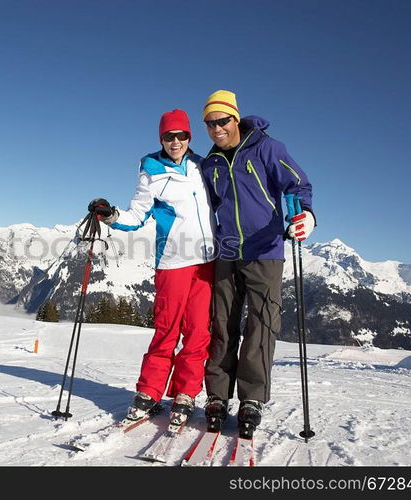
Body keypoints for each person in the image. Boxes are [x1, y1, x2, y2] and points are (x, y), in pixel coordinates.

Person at [89, 109, 217, 426]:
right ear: (161, 138)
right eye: (169, 136)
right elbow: (137, 215)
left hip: (207, 263)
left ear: (190, 136)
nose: (175, 141)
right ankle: (149, 392)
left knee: (199, 332)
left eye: (182, 135)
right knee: (167, 330)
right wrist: (111, 216)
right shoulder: (151, 169)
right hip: (172, 261)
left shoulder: (204, 166)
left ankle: (186, 394)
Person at [199, 90, 315, 436]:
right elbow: (212, 205)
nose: (216, 127)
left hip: (265, 250)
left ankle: (251, 399)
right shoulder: (211, 163)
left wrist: (306, 214)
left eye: (221, 120)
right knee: (221, 325)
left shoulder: (268, 148)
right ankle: (217, 395)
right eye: (209, 122)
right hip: (227, 252)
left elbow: (297, 184)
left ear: (235, 118)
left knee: (261, 325)